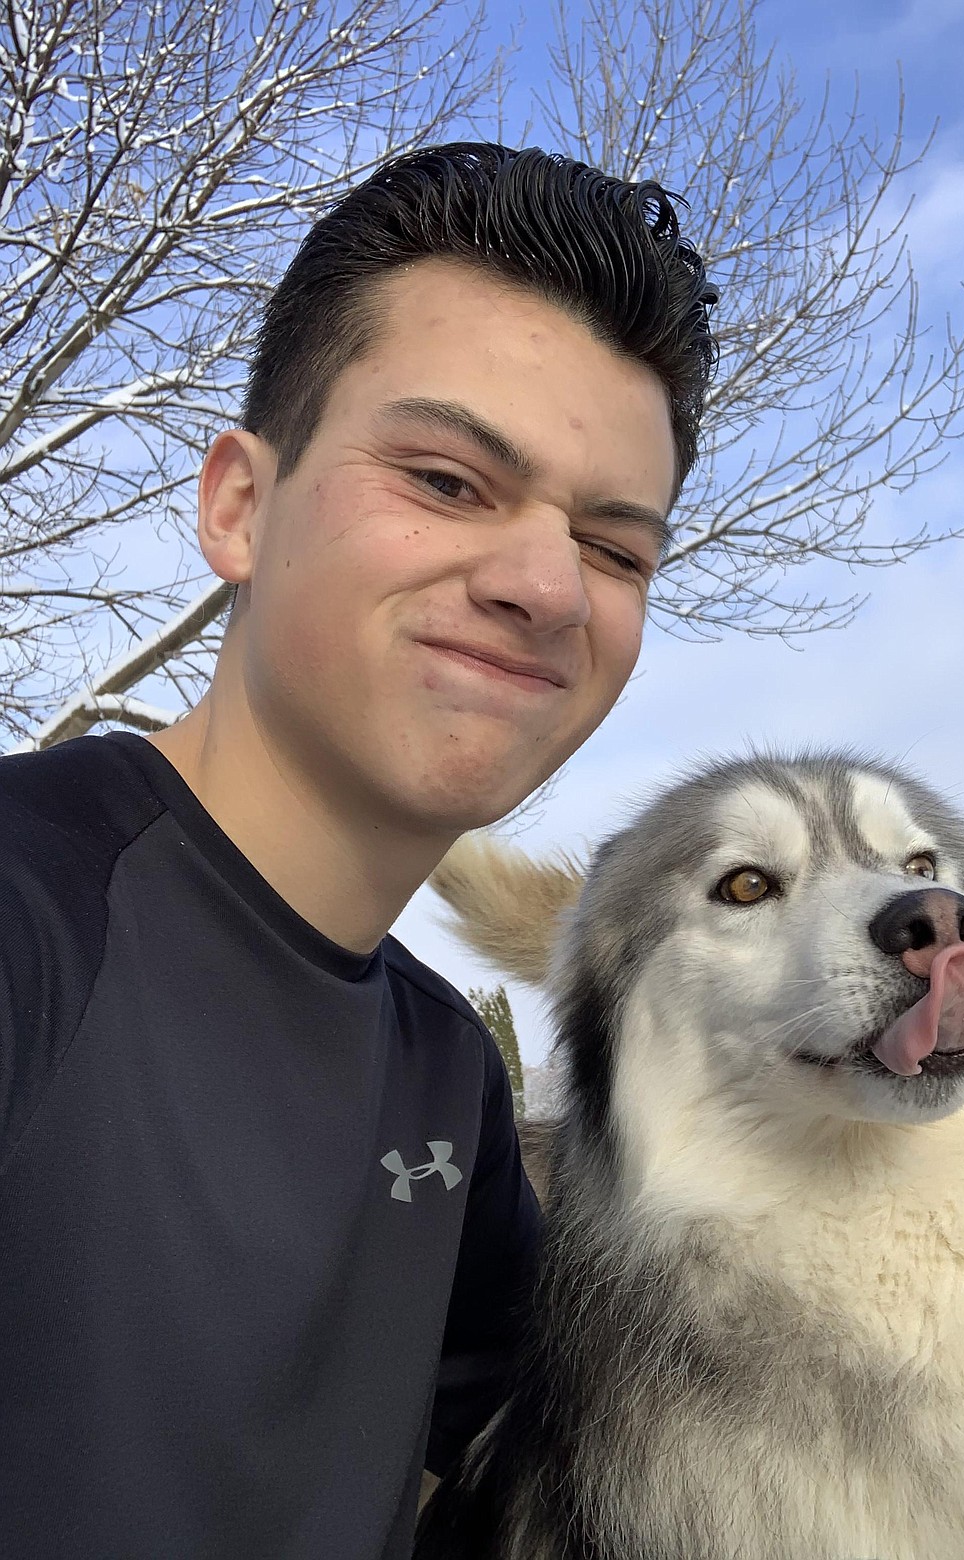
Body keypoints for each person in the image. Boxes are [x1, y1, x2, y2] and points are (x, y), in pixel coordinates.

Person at [0, 142, 717, 1558]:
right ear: (239, 508)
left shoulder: (440, 1066)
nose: (544, 586)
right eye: (448, 480)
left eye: (616, 548)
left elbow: (582, 1487)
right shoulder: (31, 923)